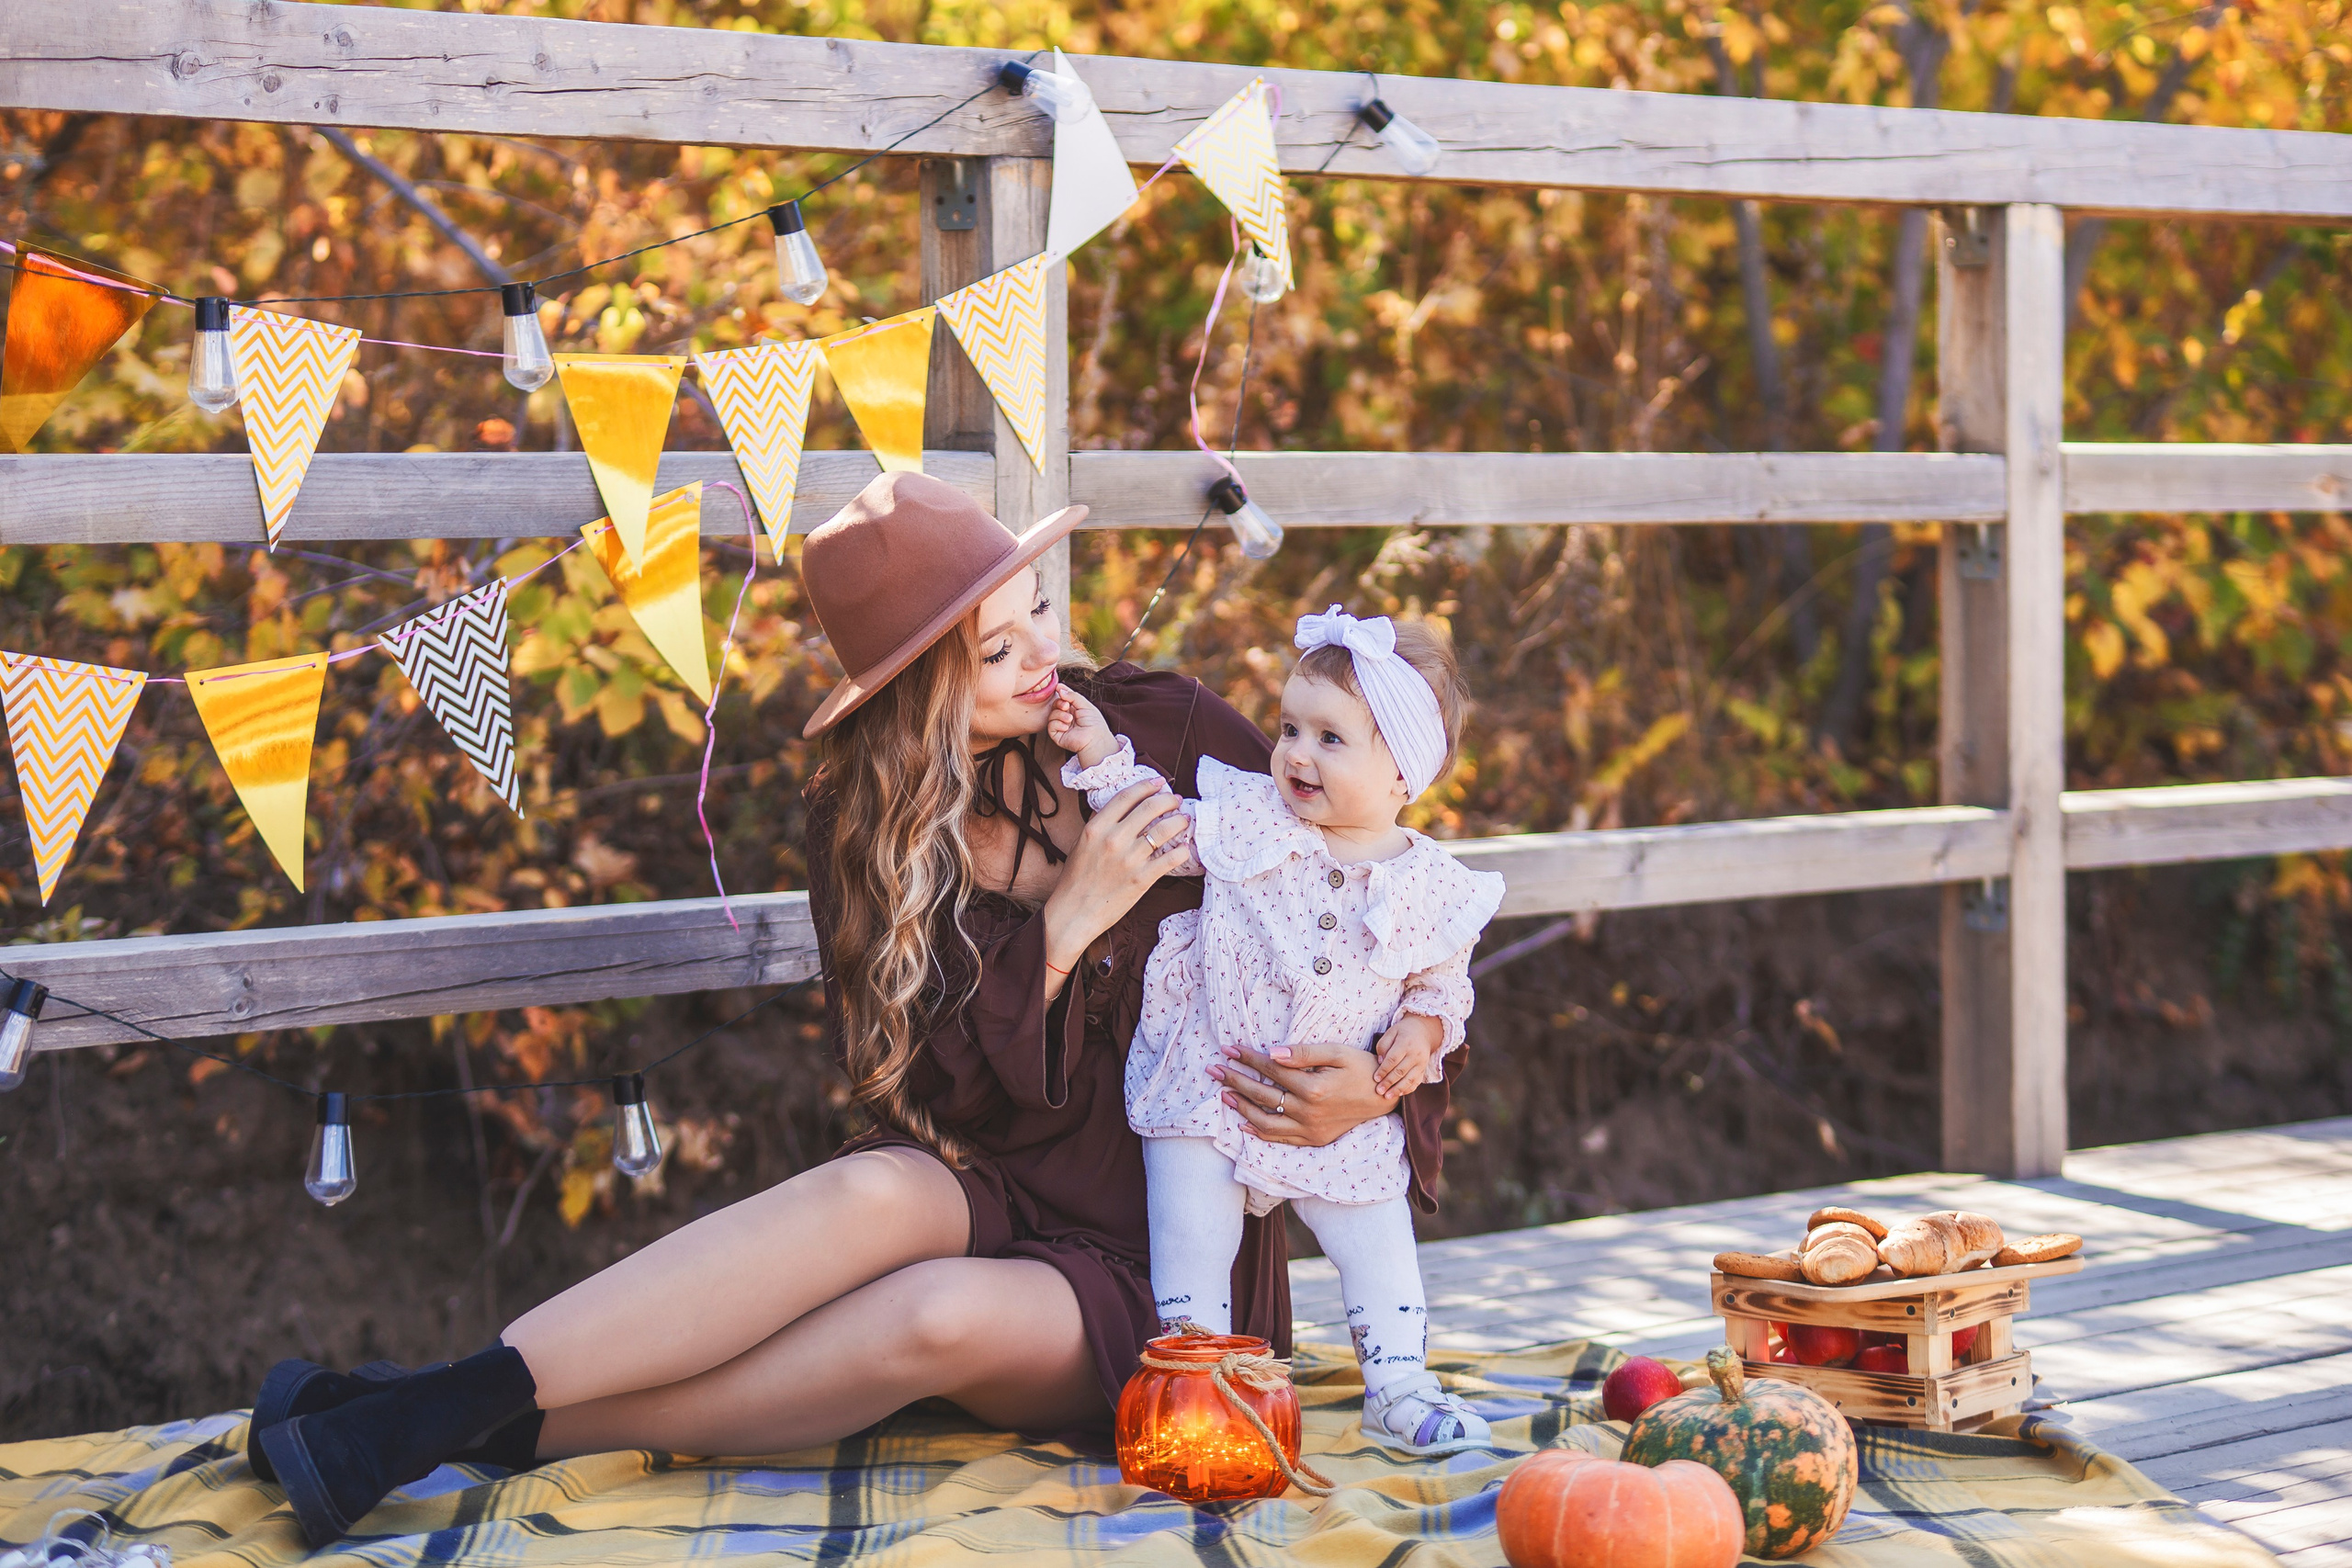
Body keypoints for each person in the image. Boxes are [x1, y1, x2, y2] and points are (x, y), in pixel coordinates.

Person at [246, 471, 1456, 1548]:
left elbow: (1388, 891)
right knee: (870, 1187)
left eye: (1037, 605)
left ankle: (439, 1415)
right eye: (993, 650)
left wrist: (1387, 1077)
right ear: (923, 681)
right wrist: (1069, 920)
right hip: (993, 1170)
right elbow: (937, 1096)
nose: (1044, 649)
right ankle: (427, 1410)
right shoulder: (867, 824)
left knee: (928, 1316)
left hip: (1166, 1248)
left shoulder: (1167, 725)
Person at [1047, 605, 1501, 1455]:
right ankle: (1194, 1380)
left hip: (1340, 1108)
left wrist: (1423, 1028)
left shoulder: (1432, 885)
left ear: (1403, 773)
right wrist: (1104, 756)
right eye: (1291, 727)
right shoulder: (1249, 816)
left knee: (1377, 1238)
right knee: (1192, 1231)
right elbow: (1159, 828)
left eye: (1332, 738)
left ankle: (1399, 1384)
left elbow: (1442, 981)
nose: (1295, 751)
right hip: (1213, 1077)